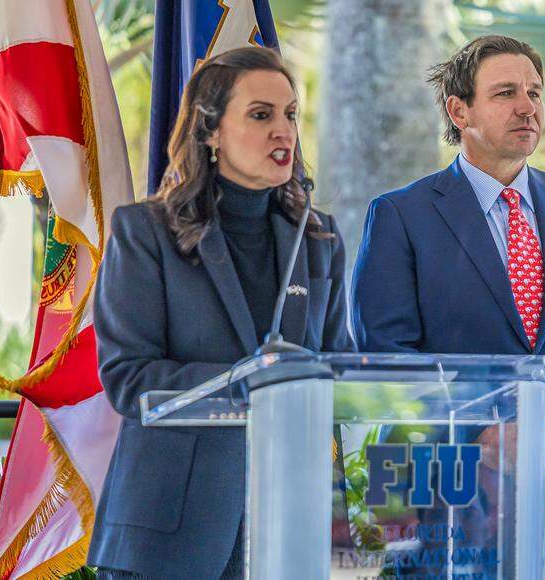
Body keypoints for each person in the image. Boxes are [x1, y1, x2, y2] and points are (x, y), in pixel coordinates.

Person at [351, 35, 545, 578]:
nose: (527, 106)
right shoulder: (402, 215)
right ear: (458, 109)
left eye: (535, 93)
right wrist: (482, 440)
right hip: (451, 506)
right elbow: (389, 359)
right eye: (506, 92)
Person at [88, 46, 351, 579]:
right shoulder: (145, 233)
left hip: (286, 530)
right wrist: (251, 383)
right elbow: (129, 377)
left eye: (291, 114)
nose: (284, 131)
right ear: (210, 132)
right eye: (261, 115)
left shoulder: (318, 239)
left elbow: (339, 371)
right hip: (170, 530)